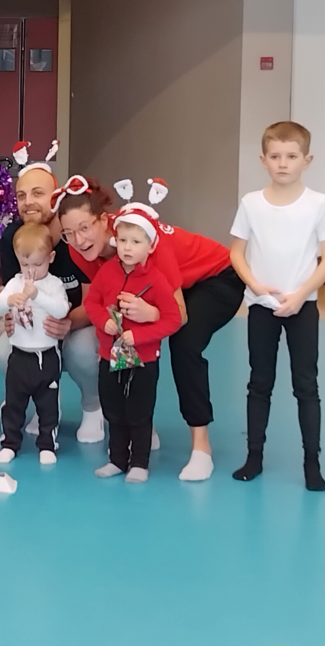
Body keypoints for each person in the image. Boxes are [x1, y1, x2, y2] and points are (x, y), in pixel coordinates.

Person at [60, 179, 243, 481]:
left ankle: (201, 448)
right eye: (68, 233)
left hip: (215, 277)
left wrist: (152, 314)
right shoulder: (83, 250)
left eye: (84, 228)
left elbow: (178, 315)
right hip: (171, 288)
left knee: (185, 344)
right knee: (121, 336)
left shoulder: (145, 243)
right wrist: (66, 321)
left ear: (104, 221)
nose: (78, 240)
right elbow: (102, 300)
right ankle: (140, 429)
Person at [228, 120, 325, 491]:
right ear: (263, 160)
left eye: (291, 156)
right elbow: (236, 253)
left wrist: (301, 293)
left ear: (307, 160)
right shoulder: (251, 203)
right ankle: (254, 457)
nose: (283, 163)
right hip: (261, 306)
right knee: (259, 382)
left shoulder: (318, 204)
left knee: (306, 385)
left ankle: (312, 464)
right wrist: (256, 286)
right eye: (275, 156)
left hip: (302, 307)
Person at [0, 145, 105, 445]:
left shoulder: (74, 236)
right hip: (34, 326)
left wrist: (66, 324)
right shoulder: (13, 238)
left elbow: (94, 300)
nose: (28, 202)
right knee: (4, 350)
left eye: (38, 193)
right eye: (21, 196)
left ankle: (92, 406)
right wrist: (8, 316)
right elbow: (12, 290)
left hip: (77, 324)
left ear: (55, 198)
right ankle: (38, 403)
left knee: (81, 350)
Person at [90, 206, 182, 484]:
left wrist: (140, 336)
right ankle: (117, 459)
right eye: (123, 240)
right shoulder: (107, 271)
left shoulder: (156, 280)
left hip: (144, 360)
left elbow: (173, 319)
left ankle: (139, 462)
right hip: (110, 355)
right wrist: (103, 322)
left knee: (139, 411)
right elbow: (92, 302)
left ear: (150, 246)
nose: (128, 247)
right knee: (113, 408)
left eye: (136, 241)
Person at [0, 222, 70, 466]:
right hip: (19, 355)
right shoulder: (15, 283)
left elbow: (62, 310)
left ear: (50, 258)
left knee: (48, 406)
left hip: (47, 356)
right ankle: (10, 443)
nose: (30, 270)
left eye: (37, 264)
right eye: (25, 265)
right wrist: (9, 300)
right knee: (13, 404)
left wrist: (37, 295)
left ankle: (47, 444)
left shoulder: (54, 285)